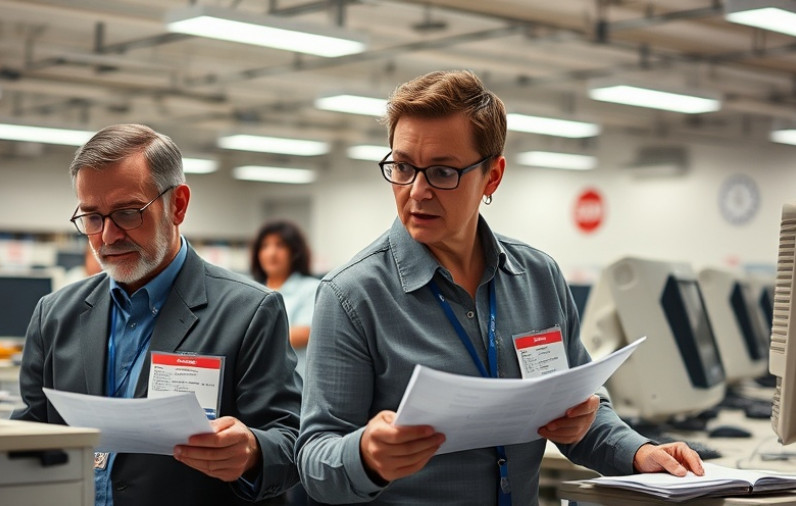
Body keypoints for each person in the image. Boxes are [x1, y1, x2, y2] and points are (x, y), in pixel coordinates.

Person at [295, 70, 704, 505]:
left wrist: (638, 452)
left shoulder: (539, 277)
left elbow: (583, 408)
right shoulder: (352, 295)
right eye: (403, 167)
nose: (417, 192)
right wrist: (365, 456)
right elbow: (315, 460)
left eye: (442, 172)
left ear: (492, 176)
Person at [12, 123, 301, 506]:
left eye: (127, 213)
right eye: (92, 218)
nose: (108, 236)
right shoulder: (55, 314)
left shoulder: (249, 311)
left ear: (177, 205)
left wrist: (251, 450)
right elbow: (29, 435)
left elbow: (291, 444)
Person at [249, 220, 319, 379]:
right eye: (264, 246)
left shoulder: (311, 288)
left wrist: (251, 338)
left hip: (296, 383)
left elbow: (304, 333)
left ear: (295, 252)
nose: (271, 253)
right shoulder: (251, 290)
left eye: (280, 245)